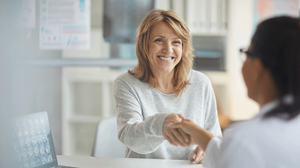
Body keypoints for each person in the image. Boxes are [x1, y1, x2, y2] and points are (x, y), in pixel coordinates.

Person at [170, 16, 300, 167]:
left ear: (257, 68)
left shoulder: (245, 139)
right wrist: (200, 136)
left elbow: (238, 155)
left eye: (247, 53)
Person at [113, 9, 222, 163]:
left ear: (183, 47)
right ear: (144, 44)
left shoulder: (201, 83)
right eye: (159, 40)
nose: (168, 49)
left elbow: (214, 136)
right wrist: (160, 125)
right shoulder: (126, 84)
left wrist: (205, 148)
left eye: (176, 42)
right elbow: (129, 136)